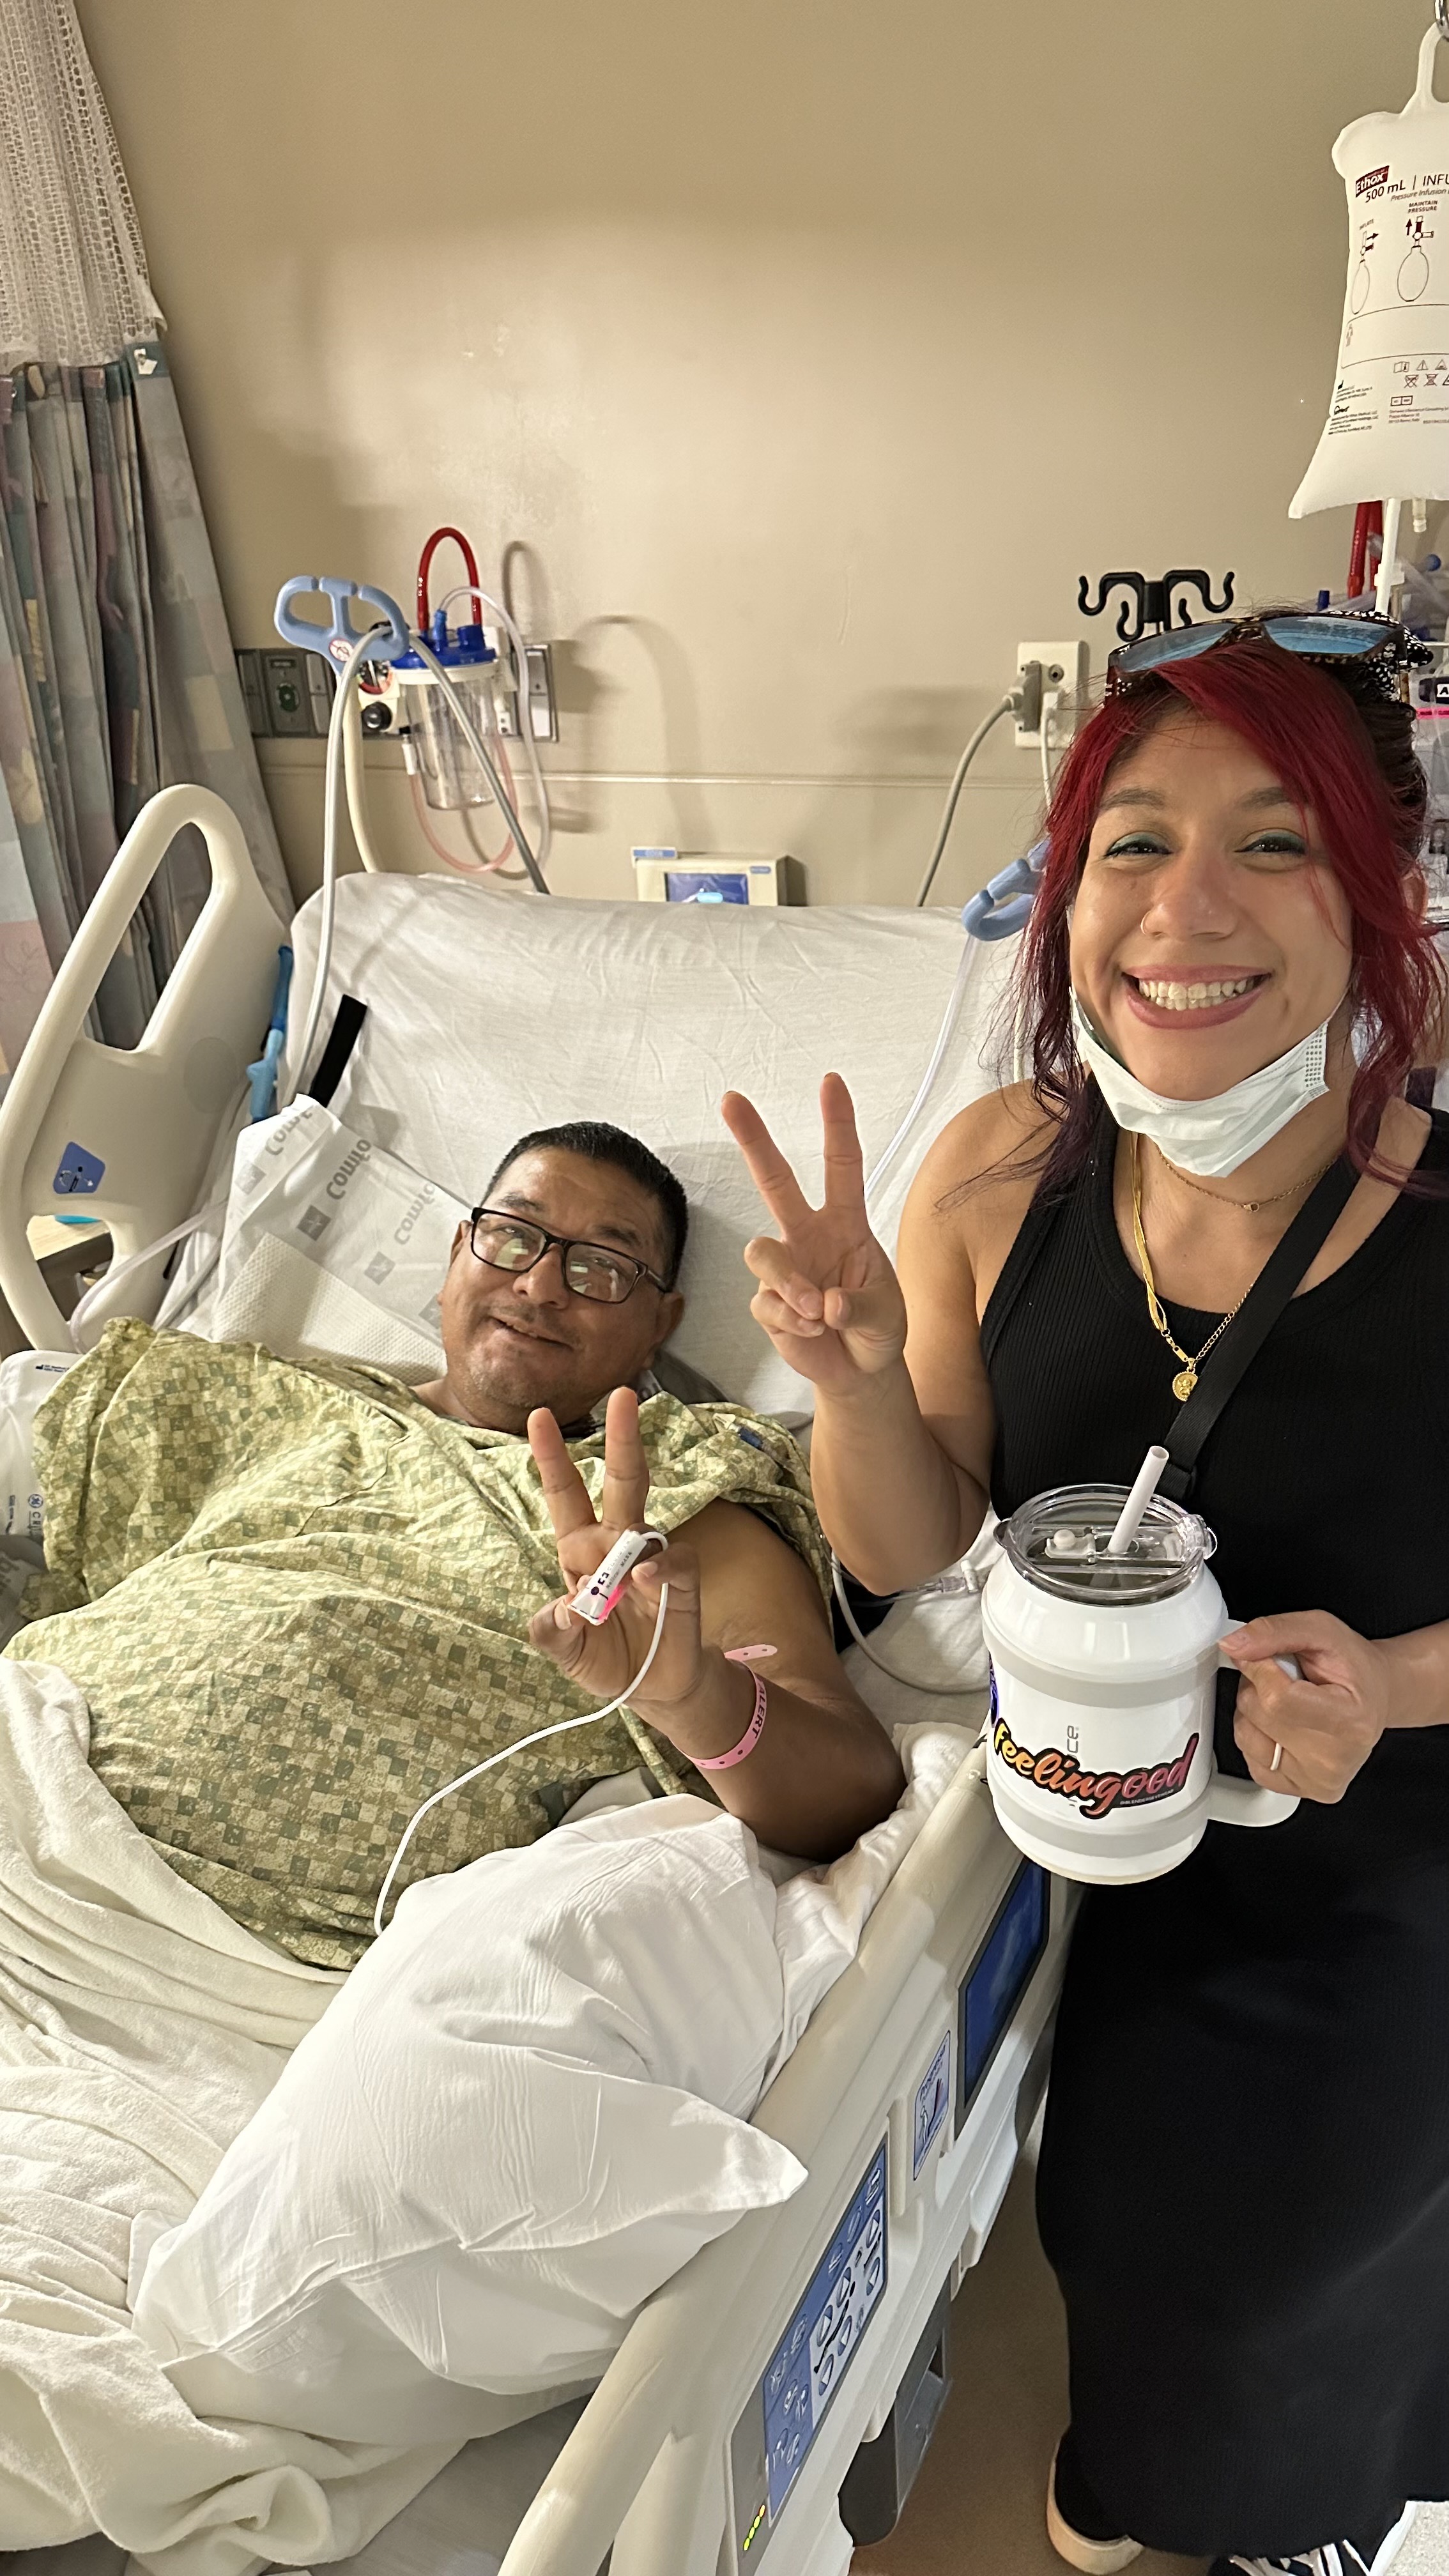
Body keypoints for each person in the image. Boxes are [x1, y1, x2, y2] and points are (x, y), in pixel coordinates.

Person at [724, 616, 1449, 2576]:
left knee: (1278, 2262)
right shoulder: (993, 1180)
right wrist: (854, 1373)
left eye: (1274, 842)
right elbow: (898, 1545)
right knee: (1120, 2228)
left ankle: (1217, 2503)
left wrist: (1386, 1682)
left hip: (1387, 1849)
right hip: (1096, 1810)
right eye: (1130, 843)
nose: (1182, 910)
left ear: (1378, 905)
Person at [7, 1117, 902, 1966]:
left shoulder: (671, 1496)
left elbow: (852, 1787)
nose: (542, 1284)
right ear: (455, 1255)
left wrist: (696, 1694)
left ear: (658, 1326)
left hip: (218, 1948)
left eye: (603, 1267)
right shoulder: (266, 1394)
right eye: (515, 1236)